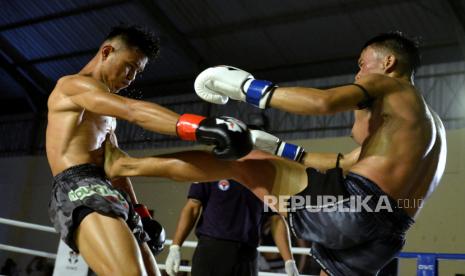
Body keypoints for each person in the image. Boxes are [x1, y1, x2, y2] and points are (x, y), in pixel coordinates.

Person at [104, 31, 447, 275]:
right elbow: (344, 162)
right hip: (389, 230)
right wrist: (279, 148)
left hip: (350, 211)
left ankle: (126, 164)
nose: (359, 74)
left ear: (388, 62)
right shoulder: (430, 127)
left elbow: (323, 102)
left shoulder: (390, 83)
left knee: (240, 159)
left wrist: (246, 88)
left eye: (363, 64)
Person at [45, 25, 253, 276]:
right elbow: (133, 110)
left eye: (137, 72)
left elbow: (116, 170)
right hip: (78, 188)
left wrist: (140, 212)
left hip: (108, 189)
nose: (132, 77)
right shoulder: (71, 86)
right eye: (130, 66)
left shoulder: (106, 117)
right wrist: (199, 127)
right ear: (107, 51)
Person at [164, 180, 299, 276]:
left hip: (248, 256)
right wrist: (175, 247)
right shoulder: (211, 166)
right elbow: (192, 207)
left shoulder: (267, 174)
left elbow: (276, 218)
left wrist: (289, 261)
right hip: (212, 252)